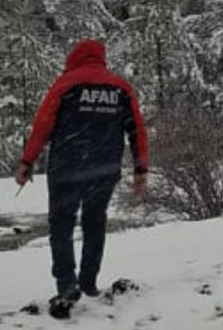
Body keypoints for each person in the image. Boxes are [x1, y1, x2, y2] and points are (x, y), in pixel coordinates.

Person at [15, 40, 148, 314]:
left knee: (61, 225)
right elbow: (137, 130)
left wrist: (27, 162)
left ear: (74, 58)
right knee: (94, 222)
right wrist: (140, 169)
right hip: (104, 168)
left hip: (67, 167)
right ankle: (88, 282)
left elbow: (42, 125)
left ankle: (66, 284)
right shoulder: (120, 87)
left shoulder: (66, 84)